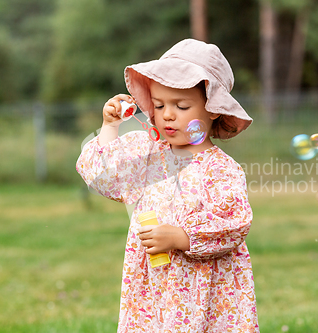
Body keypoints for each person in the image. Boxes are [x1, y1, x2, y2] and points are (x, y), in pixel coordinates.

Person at [77, 38, 259, 332]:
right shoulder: (148, 153)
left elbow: (235, 223)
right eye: (159, 105)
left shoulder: (221, 169)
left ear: (212, 109)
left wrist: (183, 237)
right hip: (152, 288)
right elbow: (101, 174)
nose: (167, 115)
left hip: (203, 291)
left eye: (181, 105)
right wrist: (110, 127)